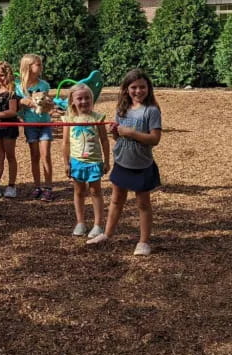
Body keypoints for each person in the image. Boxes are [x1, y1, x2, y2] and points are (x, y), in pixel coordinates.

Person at [87, 69, 161, 256]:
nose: (138, 91)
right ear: (126, 89)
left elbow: (154, 139)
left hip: (141, 165)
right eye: (133, 87)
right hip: (122, 161)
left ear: (148, 88)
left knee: (143, 204)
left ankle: (143, 242)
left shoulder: (151, 111)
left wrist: (130, 133)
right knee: (116, 200)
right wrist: (115, 132)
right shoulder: (122, 109)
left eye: (142, 87)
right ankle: (107, 234)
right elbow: (118, 138)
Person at [62, 83, 109, 239]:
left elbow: (104, 140)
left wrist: (107, 160)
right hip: (76, 161)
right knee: (79, 191)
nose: (84, 101)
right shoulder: (69, 118)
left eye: (87, 98)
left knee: (95, 191)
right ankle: (80, 222)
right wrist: (66, 163)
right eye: (79, 98)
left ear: (92, 99)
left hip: (94, 161)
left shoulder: (98, 118)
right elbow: (66, 142)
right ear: (72, 101)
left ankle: (98, 224)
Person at [16, 53, 55, 201]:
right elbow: (17, 105)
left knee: (46, 155)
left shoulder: (44, 85)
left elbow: (49, 104)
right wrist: (21, 103)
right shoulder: (20, 87)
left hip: (44, 123)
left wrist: (49, 105)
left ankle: (48, 187)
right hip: (30, 124)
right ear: (28, 67)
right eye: (38, 64)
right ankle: (37, 186)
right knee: (34, 156)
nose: (41, 67)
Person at [0, 61, 20, 198]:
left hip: (9, 127)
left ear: (7, 75)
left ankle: (11, 185)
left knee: (10, 156)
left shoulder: (12, 92)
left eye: (2, 75)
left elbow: (12, 111)